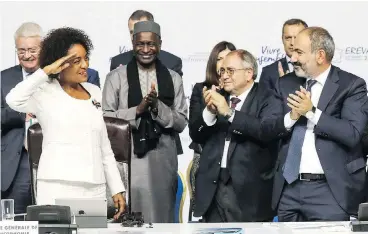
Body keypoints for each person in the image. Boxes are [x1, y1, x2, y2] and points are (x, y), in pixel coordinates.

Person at [5, 27, 126, 219]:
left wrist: (117, 188)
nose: (84, 65)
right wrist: (45, 72)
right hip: (56, 186)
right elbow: (13, 100)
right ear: (59, 64)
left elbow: (104, 147)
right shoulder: (43, 92)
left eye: (86, 58)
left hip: (94, 189)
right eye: (76, 61)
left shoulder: (94, 91)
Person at [272, 27, 368, 221]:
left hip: (329, 191)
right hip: (288, 190)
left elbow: (352, 133)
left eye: (299, 52)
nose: (292, 58)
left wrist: (312, 112)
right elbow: (267, 128)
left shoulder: (351, 85)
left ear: (320, 56)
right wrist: (291, 117)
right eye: (292, 52)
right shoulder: (285, 84)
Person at [102, 21, 188, 223]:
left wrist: (157, 107)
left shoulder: (173, 78)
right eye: (141, 44)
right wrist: (138, 110)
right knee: (126, 218)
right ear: (133, 43)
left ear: (160, 43)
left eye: (151, 44)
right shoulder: (116, 77)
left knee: (161, 217)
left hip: (163, 158)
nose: (146, 50)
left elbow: (182, 122)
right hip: (127, 159)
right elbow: (105, 119)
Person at [191, 49, 282, 222]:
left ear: (249, 74)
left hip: (249, 192)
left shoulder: (269, 97)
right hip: (213, 188)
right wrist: (209, 113)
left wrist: (229, 113)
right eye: (222, 71)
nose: (224, 76)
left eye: (230, 71)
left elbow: (266, 131)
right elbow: (196, 136)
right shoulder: (215, 96)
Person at [188, 41, 236, 217]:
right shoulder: (201, 89)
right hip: (206, 162)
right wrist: (209, 110)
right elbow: (195, 132)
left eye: (228, 58)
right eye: (219, 59)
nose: (224, 63)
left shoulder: (241, 91)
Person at [1, 22, 41, 216]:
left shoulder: (55, 77)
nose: (27, 56)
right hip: (17, 161)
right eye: (21, 50)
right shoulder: (4, 78)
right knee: (16, 221)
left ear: (42, 48)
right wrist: (20, 113)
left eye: (32, 50)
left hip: (50, 157)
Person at [109, 10, 183, 77]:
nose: (135, 36)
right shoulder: (118, 61)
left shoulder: (172, 63)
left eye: (141, 31)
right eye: (132, 32)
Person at [259, 19, 308, 91]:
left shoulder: (316, 68)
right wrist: (282, 87)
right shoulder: (269, 72)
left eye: (296, 37)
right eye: (288, 38)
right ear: (282, 40)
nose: (292, 43)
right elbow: (263, 101)